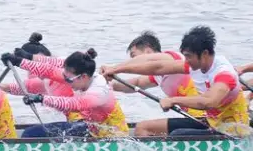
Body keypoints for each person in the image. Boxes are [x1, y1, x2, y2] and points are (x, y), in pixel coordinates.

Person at [101, 25, 250, 137]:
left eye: (189, 56)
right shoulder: (195, 65)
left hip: (232, 129)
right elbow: (157, 69)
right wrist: (115, 72)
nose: (186, 60)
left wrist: (173, 100)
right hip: (212, 122)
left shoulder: (224, 73)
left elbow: (209, 101)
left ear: (204, 54)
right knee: (144, 127)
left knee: (177, 135)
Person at [106, 31, 204, 137]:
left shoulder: (171, 57)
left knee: (142, 128)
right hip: (194, 118)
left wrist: (114, 69)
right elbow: (137, 83)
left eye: (133, 56)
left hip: (204, 118)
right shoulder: (159, 76)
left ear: (148, 50)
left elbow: (145, 61)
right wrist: (109, 85)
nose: (132, 61)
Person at [14, 49, 129, 138]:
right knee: (33, 132)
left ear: (83, 76)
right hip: (91, 126)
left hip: (110, 135)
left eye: (68, 80)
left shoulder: (99, 91)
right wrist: (19, 61)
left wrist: (41, 98)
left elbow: (73, 105)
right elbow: (49, 70)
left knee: (31, 134)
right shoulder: (80, 78)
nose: (66, 82)